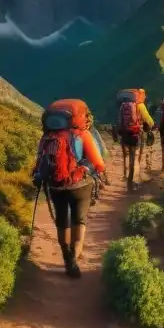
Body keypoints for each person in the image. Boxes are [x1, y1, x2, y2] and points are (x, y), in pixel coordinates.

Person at [32, 99, 107, 278]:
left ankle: (66, 256)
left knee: (62, 221)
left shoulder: (46, 137)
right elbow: (99, 164)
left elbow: (40, 163)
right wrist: (88, 169)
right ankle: (74, 258)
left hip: (55, 186)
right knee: (79, 220)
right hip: (80, 185)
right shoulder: (82, 135)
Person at [113, 88, 154, 189]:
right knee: (136, 157)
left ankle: (127, 177)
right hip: (136, 134)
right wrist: (151, 125)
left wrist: (119, 132)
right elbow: (148, 120)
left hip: (124, 135)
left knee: (127, 156)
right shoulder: (140, 105)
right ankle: (135, 180)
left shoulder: (123, 106)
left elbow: (119, 121)